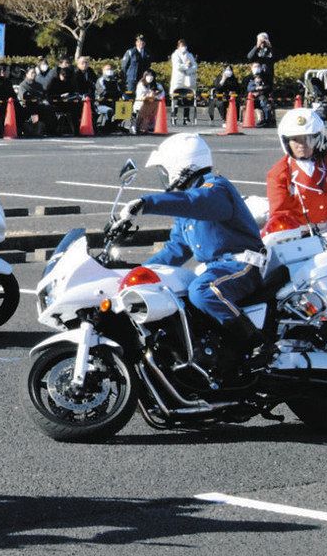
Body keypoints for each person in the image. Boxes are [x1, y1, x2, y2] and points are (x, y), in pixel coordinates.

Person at [116, 133, 271, 375]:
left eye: (165, 170)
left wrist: (148, 203)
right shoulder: (188, 205)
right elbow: (175, 250)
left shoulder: (215, 188)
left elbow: (195, 201)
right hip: (217, 269)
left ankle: (256, 344)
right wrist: (136, 273)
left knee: (203, 291)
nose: (164, 177)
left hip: (243, 264)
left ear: (183, 166)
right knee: (179, 298)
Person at [169, 39, 198, 125]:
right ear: (178, 46)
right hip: (177, 80)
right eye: (181, 46)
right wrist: (186, 65)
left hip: (187, 80)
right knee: (175, 98)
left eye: (184, 46)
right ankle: (174, 115)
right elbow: (178, 66)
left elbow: (195, 66)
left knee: (187, 97)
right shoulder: (175, 55)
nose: (183, 47)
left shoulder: (189, 55)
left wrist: (188, 69)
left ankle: (186, 117)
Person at [244, 62, 274, 127]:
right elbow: (248, 89)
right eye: (255, 66)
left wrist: (262, 89)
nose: (257, 68)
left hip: (262, 96)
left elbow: (269, 87)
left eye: (258, 66)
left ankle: (266, 120)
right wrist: (256, 88)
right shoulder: (249, 79)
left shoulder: (265, 77)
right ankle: (260, 119)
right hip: (251, 97)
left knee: (264, 102)